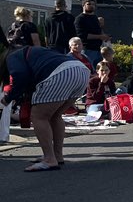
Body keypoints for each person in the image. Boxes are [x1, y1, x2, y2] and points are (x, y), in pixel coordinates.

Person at [0, 34, 91, 171]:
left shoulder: (13, 56)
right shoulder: (34, 51)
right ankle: (57, 156)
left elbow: (20, 77)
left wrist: (7, 99)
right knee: (55, 116)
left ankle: (49, 159)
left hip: (60, 73)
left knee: (39, 116)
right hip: (80, 71)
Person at [74, 0, 109, 68]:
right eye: (89, 4)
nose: (91, 6)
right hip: (87, 49)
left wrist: (104, 36)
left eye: (93, 4)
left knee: (99, 71)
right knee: (88, 70)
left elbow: (98, 31)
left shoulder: (95, 18)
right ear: (83, 5)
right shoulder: (80, 19)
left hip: (98, 49)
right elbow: (82, 35)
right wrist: (99, 36)